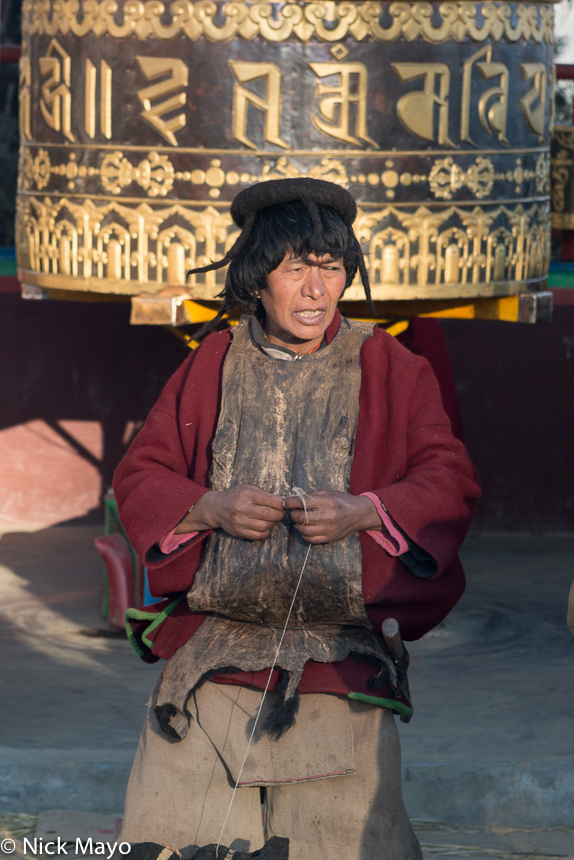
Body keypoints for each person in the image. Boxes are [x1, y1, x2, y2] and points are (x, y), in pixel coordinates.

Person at [113, 178, 480, 860]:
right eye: (296, 269)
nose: (317, 290)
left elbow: (448, 478)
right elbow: (141, 474)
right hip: (210, 668)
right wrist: (208, 506)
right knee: (172, 843)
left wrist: (364, 511)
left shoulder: (391, 365)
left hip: (340, 667)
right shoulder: (211, 364)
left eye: (332, 268)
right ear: (258, 278)